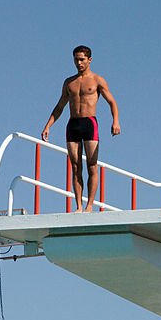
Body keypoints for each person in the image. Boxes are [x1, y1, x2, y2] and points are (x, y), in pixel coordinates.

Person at [41, 45, 121, 213]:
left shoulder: (97, 80)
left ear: (89, 60)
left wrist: (116, 121)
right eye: (76, 59)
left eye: (82, 59)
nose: (79, 63)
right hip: (73, 124)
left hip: (90, 123)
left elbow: (112, 102)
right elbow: (60, 106)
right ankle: (78, 205)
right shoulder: (69, 82)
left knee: (92, 165)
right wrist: (48, 125)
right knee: (76, 166)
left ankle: (89, 205)